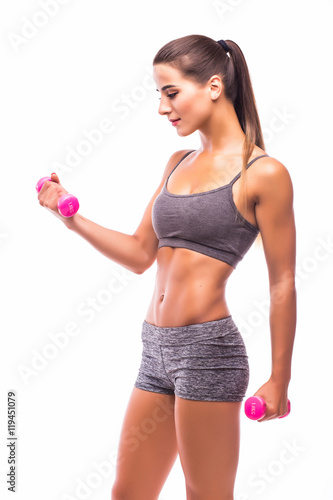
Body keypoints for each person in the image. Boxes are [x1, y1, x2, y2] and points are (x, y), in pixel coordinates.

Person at [38, 34, 297, 500]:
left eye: (170, 92)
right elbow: (141, 253)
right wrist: (69, 216)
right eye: (159, 94)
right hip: (154, 348)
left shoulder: (264, 174)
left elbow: (282, 282)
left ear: (214, 86)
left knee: (206, 495)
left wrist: (280, 378)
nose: (162, 108)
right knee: (129, 493)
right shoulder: (178, 163)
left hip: (208, 353)